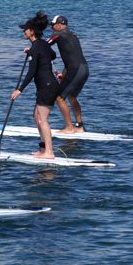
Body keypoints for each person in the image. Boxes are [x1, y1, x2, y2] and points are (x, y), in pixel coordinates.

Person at [11, 11, 59, 159]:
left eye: (25, 29)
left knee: (43, 120)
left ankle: (49, 153)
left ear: (31, 32)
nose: (23, 32)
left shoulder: (36, 47)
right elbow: (52, 55)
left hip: (46, 86)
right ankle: (44, 148)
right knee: (36, 117)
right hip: (49, 85)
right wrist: (32, 52)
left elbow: (31, 72)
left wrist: (19, 89)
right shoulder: (42, 44)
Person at [49, 14, 89, 134]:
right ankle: (79, 126)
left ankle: (69, 128)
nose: (51, 28)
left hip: (75, 70)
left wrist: (31, 51)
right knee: (72, 97)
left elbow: (43, 46)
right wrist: (64, 74)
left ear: (59, 25)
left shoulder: (58, 34)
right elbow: (72, 58)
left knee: (59, 98)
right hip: (85, 69)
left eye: (53, 25)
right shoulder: (73, 35)